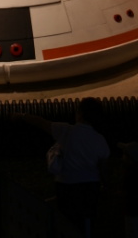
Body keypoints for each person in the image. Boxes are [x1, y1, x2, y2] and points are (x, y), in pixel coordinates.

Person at [18, 97, 110, 228]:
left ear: (79, 113)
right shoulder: (100, 140)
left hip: (67, 185)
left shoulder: (66, 131)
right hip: (90, 186)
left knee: (67, 222)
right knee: (87, 221)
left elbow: (42, 123)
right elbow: (103, 167)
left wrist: (22, 116)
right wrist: (105, 186)